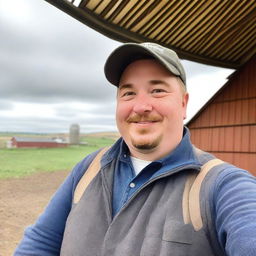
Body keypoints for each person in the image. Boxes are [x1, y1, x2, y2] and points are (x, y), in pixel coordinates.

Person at [14, 42, 256, 256]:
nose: (140, 106)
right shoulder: (90, 168)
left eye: (157, 90)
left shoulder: (222, 185)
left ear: (183, 104)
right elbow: (41, 242)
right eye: (128, 93)